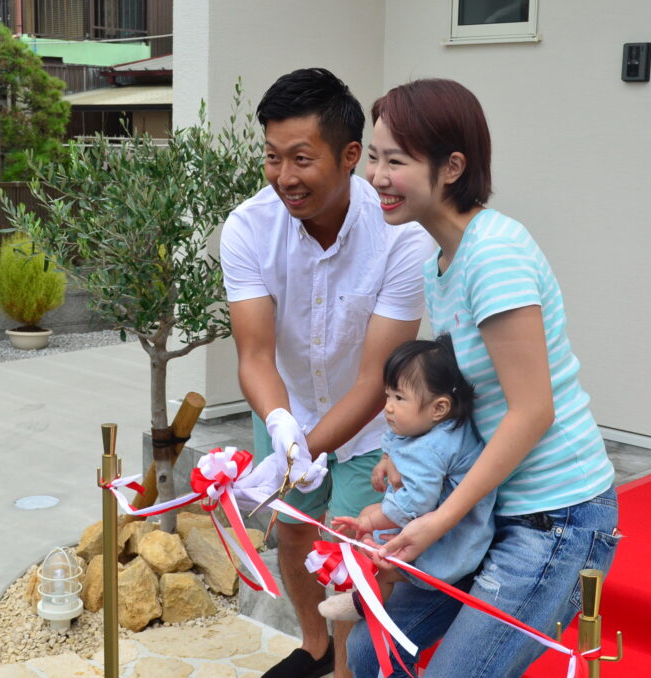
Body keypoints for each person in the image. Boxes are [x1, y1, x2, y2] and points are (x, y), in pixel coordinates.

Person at [346, 78, 620, 678]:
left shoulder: (493, 255)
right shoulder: (437, 262)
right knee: (372, 652)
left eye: (396, 160)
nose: (376, 176)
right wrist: (405, 463)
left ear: (452, 167)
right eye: (373, 156)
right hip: (483, 509)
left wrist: (439, 519)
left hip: (555, 517)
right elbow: (450, 403)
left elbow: (532, 411)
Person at [221, 67, 434, 678]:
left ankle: (351, 669)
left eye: (301, 159)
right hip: (287, 407)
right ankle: (315, 649)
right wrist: (285, 429)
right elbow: (255, 356)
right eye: (272, 157)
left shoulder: (401, 236)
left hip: (373, 420)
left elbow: (375, 380)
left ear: (348, 157)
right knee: (292, 534)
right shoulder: (248, 228)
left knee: (356, 548)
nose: (284, 177)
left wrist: (305, 447)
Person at [320, 335, 493, 622]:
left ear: (439, 408)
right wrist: (386, 460)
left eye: (399, 397)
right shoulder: (431, 424)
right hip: (442, 517)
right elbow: (394, 438)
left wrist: (370, 521)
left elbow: (414, 504)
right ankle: (366, 582)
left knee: (379, 549)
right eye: (388, 395)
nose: (388, 406)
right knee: (369, 526)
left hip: (451, 538)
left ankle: (365, 602)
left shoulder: (432, 448)